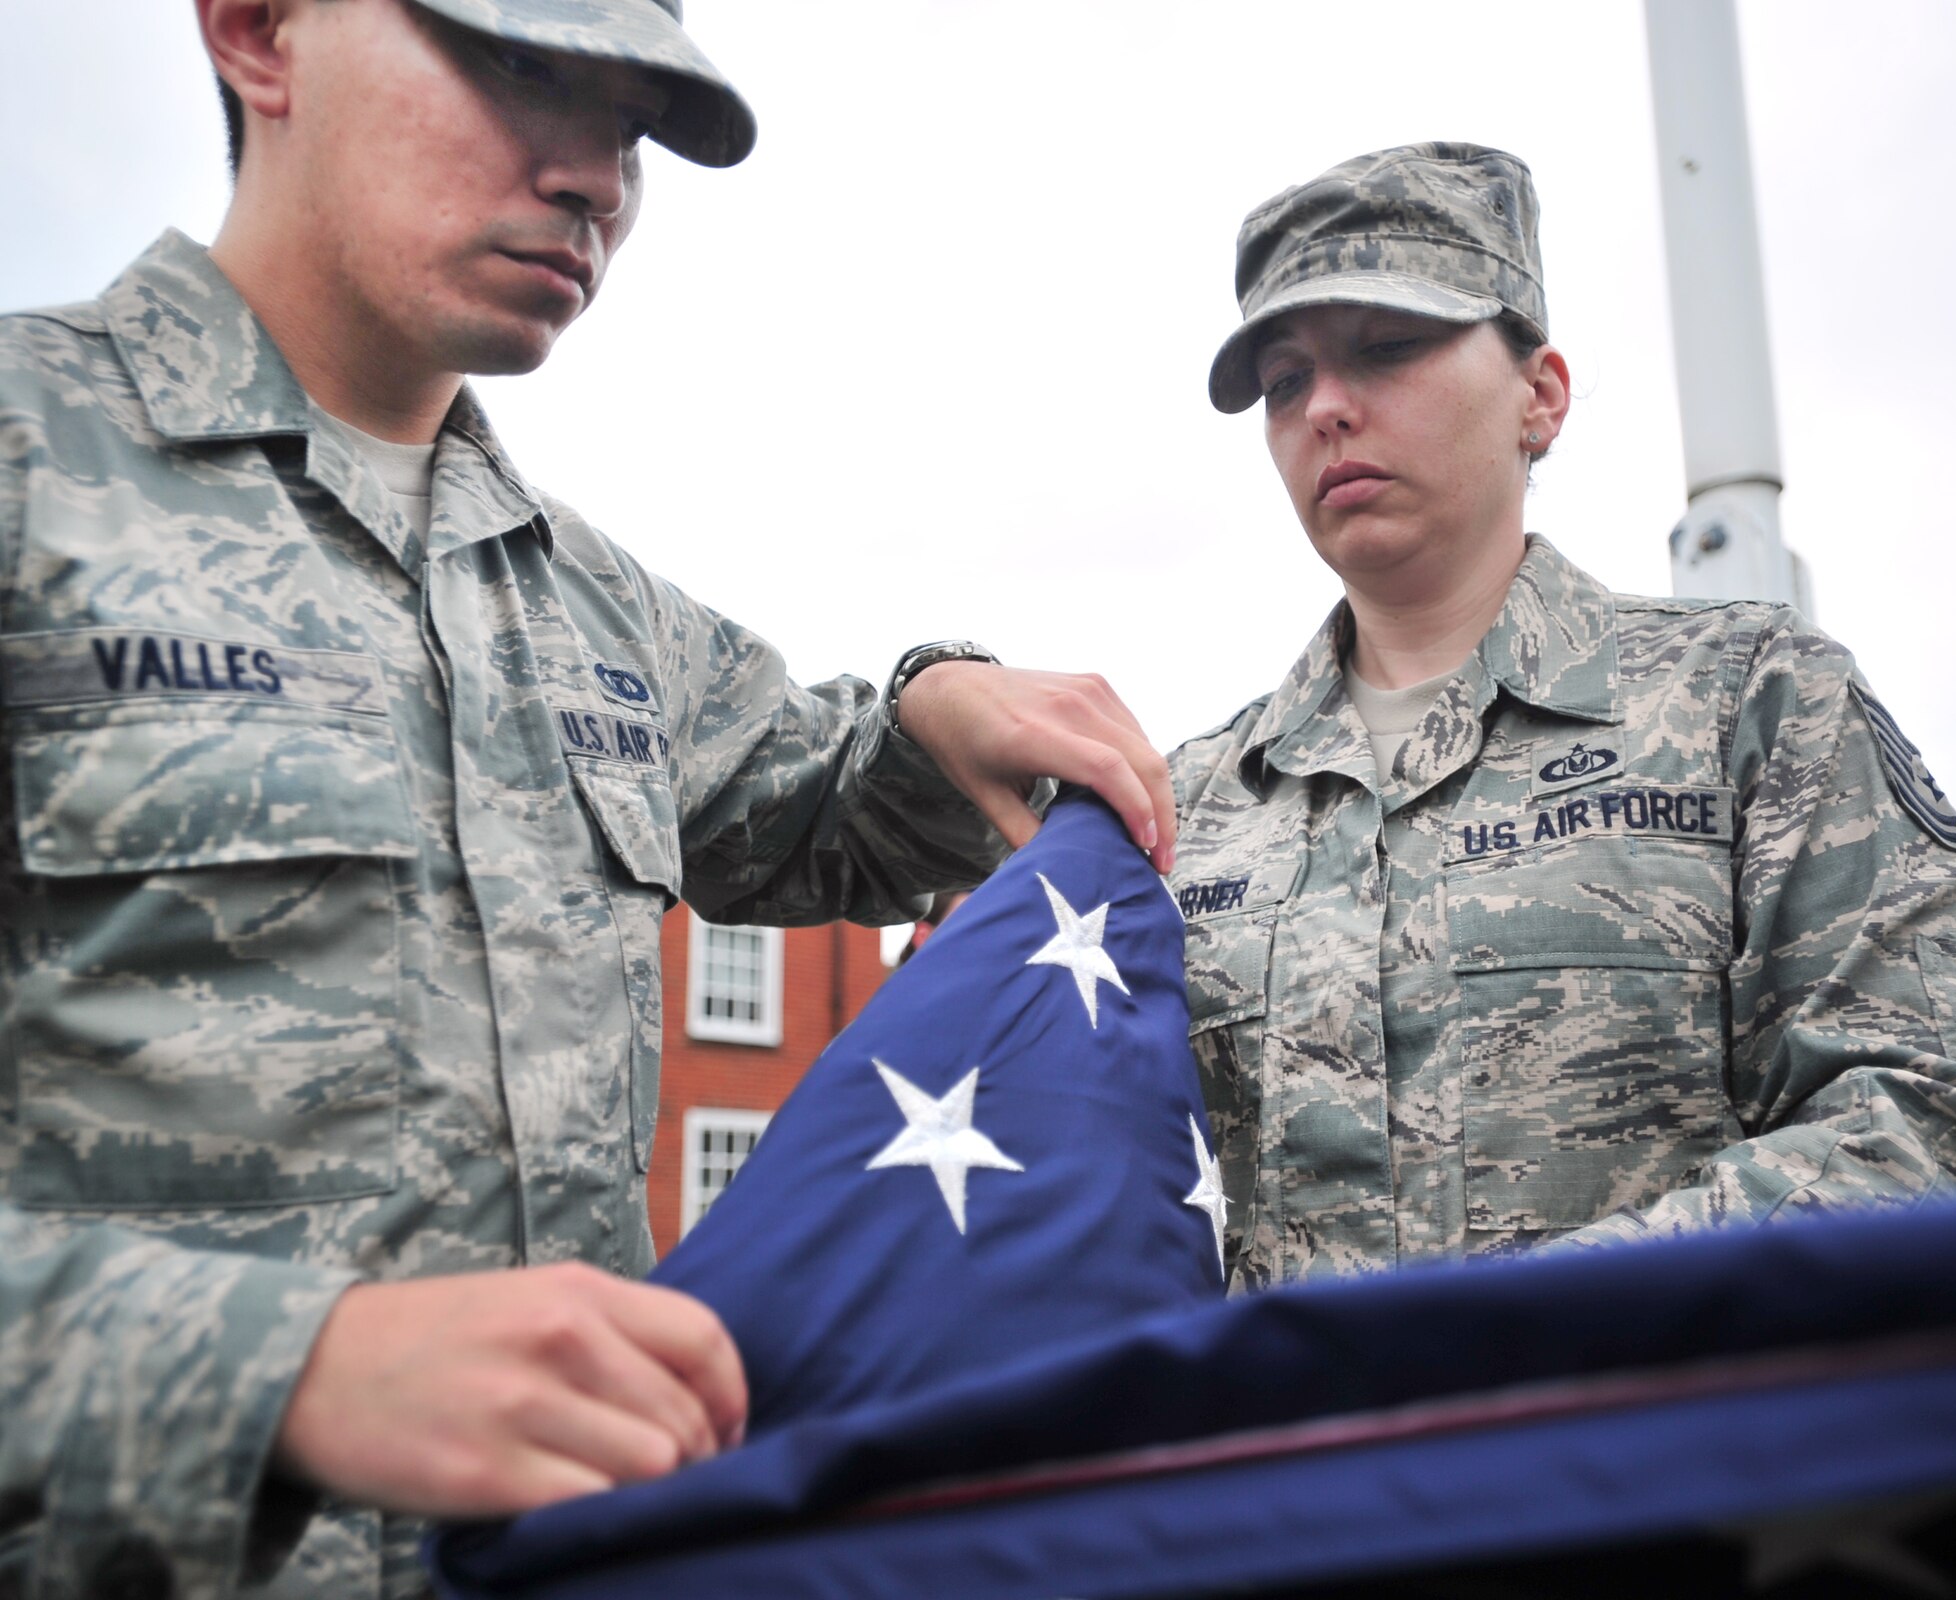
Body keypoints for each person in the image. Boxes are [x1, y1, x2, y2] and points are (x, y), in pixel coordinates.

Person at [0, 2, 1176, 1595]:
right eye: (521, 67)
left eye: (629, 124)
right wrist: (276, 1369)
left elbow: (836, 797)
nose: (594, 178)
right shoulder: (29, 473)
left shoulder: (591, 604)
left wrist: (937, 692)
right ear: (261, 33)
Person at [1169, 142, 1956, 1291]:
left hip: (1661, 1455)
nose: (1325, 408)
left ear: (1539, 395)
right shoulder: (1188, 811)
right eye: (1281, 381)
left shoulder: (1747, 702)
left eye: (1388, 348)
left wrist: (1541, 1321)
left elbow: (1939, 1106)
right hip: (1299, 1469)